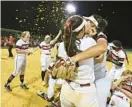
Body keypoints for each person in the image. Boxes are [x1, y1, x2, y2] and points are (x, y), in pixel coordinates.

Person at [58, 15, 99, 107]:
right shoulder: (90, 42)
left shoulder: (62, 44)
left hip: (66, 88)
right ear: (81, 30)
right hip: (85, 93)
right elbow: (99, 58)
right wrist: (91, 33)